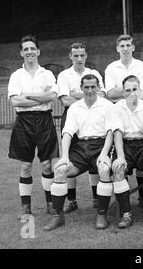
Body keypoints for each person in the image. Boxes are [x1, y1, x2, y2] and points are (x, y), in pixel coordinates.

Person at [43, 74, 114, 230]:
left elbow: (110, 132)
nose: (89, 91)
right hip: (81, 147)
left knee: (103, 169)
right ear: (81, 88)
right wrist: (65, 157)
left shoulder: (107, 105)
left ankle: (101, 215)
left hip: (101, 145)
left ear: (99, 88)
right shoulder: (75, 107)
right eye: (86, 87)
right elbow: (67, 133)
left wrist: (104, 153)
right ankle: (58, 216)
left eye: (93, 87)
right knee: (60, 170)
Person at [7, 35, 59, 219]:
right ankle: (26, 207)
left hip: (44, 119)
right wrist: (39, 96)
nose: (29, 52)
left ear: (38, 51)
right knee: (26, 165)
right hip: (24, 122)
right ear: (21, 52)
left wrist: (27, 95)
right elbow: (15, 102)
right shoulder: (16, 76)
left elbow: (52, 97)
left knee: (46, 164)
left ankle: (51, 204)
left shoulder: (47, 74)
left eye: (32, 48)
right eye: (25, 49)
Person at [99, 75, 143, 228]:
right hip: (125, 145)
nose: (131, 93)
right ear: (123, 92)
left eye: (134, 89)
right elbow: (117, 133)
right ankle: (126, 214)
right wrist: (120, 157)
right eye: (128, 90)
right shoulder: (116, 107)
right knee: (118, 169)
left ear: (139, 90)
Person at [56, 42, 105, 214]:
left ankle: (96, 198)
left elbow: (103, 95)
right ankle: (72, 200)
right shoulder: (64, 75)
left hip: (91, 117)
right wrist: (87, 97)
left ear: (86, 55)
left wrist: (78, 94)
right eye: (75, 55)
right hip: (72, 116)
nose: (79, 58)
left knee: (93, 157)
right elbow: (65, 101)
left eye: (82, 55)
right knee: (70, 158)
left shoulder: (94, 73)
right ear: (70, 56)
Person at [105, 34, 143, 103]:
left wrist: (120, 92)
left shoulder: (142, 67)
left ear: (133, 48)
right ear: (117, 49)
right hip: (118, 108)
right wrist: (135, 89)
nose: (125, 49)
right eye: (122, 46)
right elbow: (110, 95)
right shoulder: (111, 68)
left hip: (138, 107)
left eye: (128, 45)